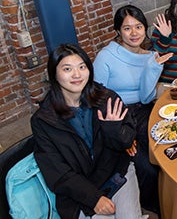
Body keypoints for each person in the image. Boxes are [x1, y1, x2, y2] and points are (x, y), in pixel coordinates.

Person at [31, 44, 145, 218]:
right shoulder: (44, 120)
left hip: (117, 174)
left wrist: (113, 130)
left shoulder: (107, 98)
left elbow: (128, 141)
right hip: (79, 191)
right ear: (54, 74)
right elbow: (57, 173)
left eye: (82, 67)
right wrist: (94, 199)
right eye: (67, 69)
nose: (77, 75)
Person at [93, 5, 172, 215]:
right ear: (118, 31)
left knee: (165, 150)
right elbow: (96, 98)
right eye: (127, 28)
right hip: (116, 115)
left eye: (138, 26)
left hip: (144, 111)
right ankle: (156, 206)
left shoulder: (150, 56)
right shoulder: (106, 56)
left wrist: (153, 67)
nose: (134, 33)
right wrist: (121, 133)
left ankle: (169, 197)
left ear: (145, 28)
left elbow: (146, 96)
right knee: (144, 165)